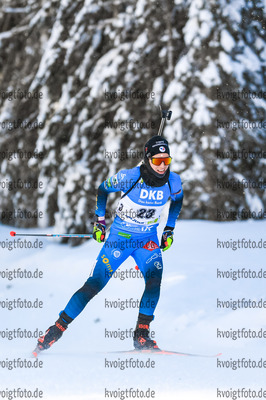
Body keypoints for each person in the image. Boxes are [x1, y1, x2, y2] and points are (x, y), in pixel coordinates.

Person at [34, 135, 183, 355]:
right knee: (94, 284)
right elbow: (103, 190)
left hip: (147, 241)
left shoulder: (173, 181)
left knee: (154, 282)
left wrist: (169, 229)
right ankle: (56, 329)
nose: (163, 166)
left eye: (167, 161)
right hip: (120, 239)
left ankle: (141, 335)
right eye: (158, 161)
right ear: (147, 158)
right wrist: (100, 222)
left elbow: (177, 201)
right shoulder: (129, 177)